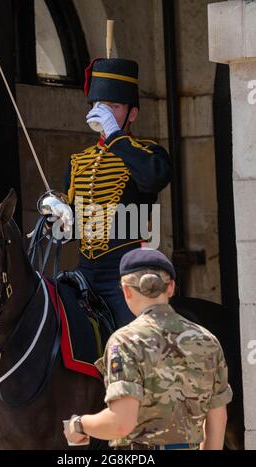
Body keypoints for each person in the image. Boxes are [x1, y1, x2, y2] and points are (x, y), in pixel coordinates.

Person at [63, 247, 233, 450]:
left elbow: (120, 424)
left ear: (126, 291)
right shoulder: (208, 340)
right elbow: (218, 419)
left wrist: (79, 425)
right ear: (170, 288)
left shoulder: (125, 341)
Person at [63, 58, 171, 328]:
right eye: (100, 106)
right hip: (84, 274)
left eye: (114, 107)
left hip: (126, 275)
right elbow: (71, 232)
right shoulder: (79, 161)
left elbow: (154, 178)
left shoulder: (148, 154)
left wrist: (114, 136)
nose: (106, 113)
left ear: (131, 114)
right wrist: (59, 215)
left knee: (139, 341)